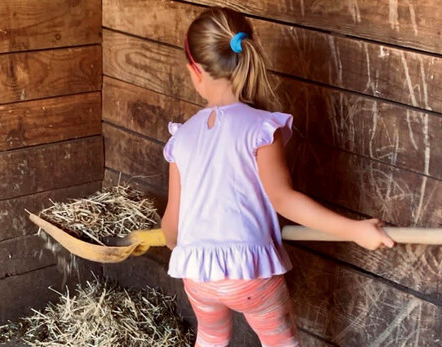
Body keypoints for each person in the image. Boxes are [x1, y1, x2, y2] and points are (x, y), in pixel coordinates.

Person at [161, 7, 395, 347]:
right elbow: (284, 199)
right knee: (280, 342)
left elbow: (173, 223)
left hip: (197, 276)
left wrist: (175, 245)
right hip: (249, 277)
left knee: (211, 337)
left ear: (195, 72)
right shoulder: (260, 129)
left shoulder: (181, 138)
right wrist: (356, 230)